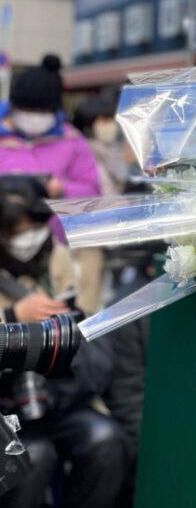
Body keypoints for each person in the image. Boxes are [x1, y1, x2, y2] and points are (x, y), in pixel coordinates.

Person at [0, 176, 126, 508]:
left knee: (105, 440)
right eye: (16, 230)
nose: (26, 238)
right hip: (8, 407)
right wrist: (13, 317)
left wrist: (68, 318)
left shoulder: (60, 258)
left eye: (33, 227)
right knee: (32, 456)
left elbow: (88, 330)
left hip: (61, 394)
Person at [0, 55, 101, 200]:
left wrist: (62, 189)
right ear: (13, 108)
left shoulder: (71, 140)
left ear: (55, 111)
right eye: (26, 110)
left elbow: (92, 189)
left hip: (54, 213)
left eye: (42, 111)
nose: (33, 117)